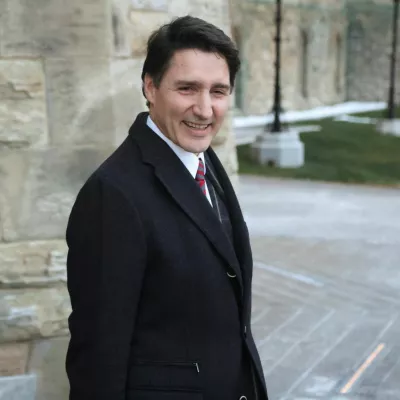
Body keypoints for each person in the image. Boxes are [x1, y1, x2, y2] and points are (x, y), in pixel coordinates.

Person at [65, 15, 268, 400]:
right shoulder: (112, 195)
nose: (205, 109)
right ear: (151, 86)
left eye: (219, 91)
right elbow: (97, 354)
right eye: (188, 88)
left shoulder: (204, 162)